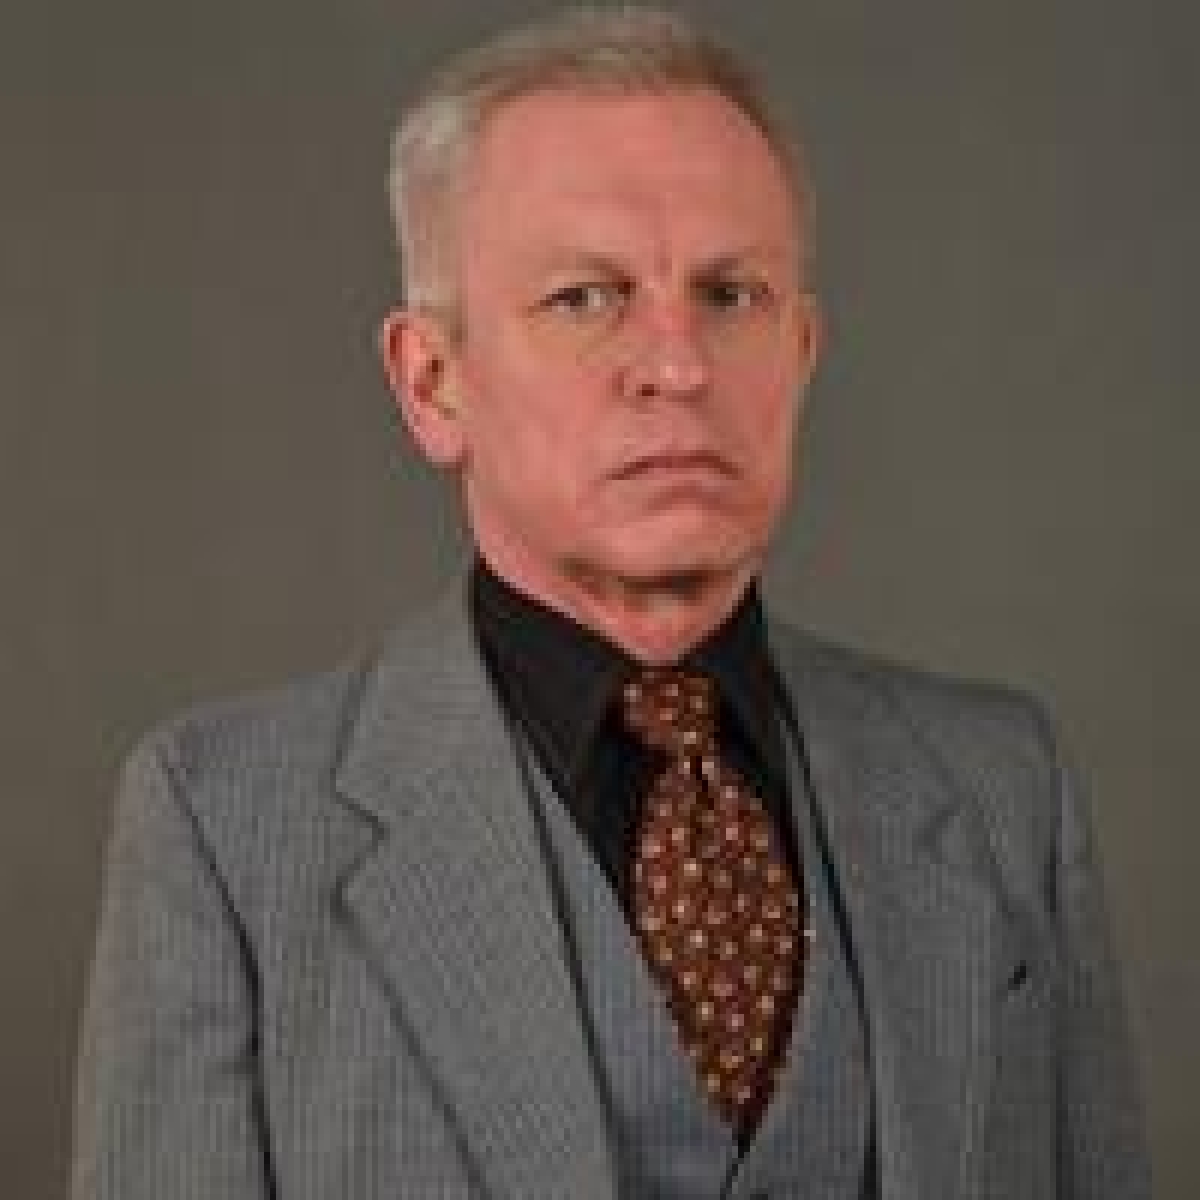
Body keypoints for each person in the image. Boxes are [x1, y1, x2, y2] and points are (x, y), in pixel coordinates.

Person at [71, 7, 1150, 1198]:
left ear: (801, 352)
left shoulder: (1002, 788)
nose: (678, 365)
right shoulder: (223, 830)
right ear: (433, 383)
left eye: (730, 294)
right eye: (587, 298)